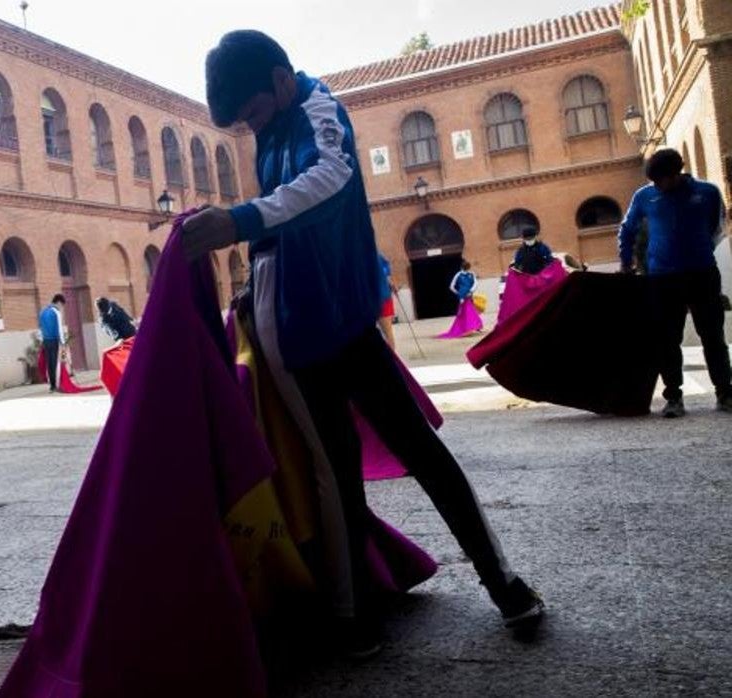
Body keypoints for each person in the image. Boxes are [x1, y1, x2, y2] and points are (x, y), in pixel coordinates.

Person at [182, 30, 542, 647]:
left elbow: (329, 179)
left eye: (255, 113)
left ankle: (501, 582)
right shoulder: (269, 135)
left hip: (343, 320)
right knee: (332, 468)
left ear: (279, 79)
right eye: (242, 124)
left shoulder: (321, 108)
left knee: (422, 451)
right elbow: (280, 220)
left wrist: (239, 220)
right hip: (289, 330)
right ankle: (352, 613)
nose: (253, 128)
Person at [619, 148, 731, 418]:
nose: (659, 185)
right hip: (662, 278)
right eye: (654, 181)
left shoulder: (706, 193)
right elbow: (628, 227)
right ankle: (674, 397)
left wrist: (697, 249)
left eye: (662, 180)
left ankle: (725, 393)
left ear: (677, 173)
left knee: (713, 335)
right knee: (667, 338)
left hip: (702, 273)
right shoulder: (645, 196)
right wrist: (626, 261)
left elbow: (716, 227)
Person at [38, 294, 66, 392]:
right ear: (58, 302)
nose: (61, 308)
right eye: (61, 305)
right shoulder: (56, 312)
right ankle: (55, 385)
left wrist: (42, 341)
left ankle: (52, 385)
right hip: (54, 340)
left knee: (49, 363)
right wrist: (63, 342)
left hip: (46, 341)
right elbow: (59, 328)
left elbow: (40, 328)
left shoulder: (43, 312)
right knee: (54, 363)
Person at [377, 254, 397, 350]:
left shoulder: (376, 255)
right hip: (380, 297)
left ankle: (392, 359)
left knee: (388, 333)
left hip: (382, 298)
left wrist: (388, 278)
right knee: (387, 333)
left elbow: (386, 265)